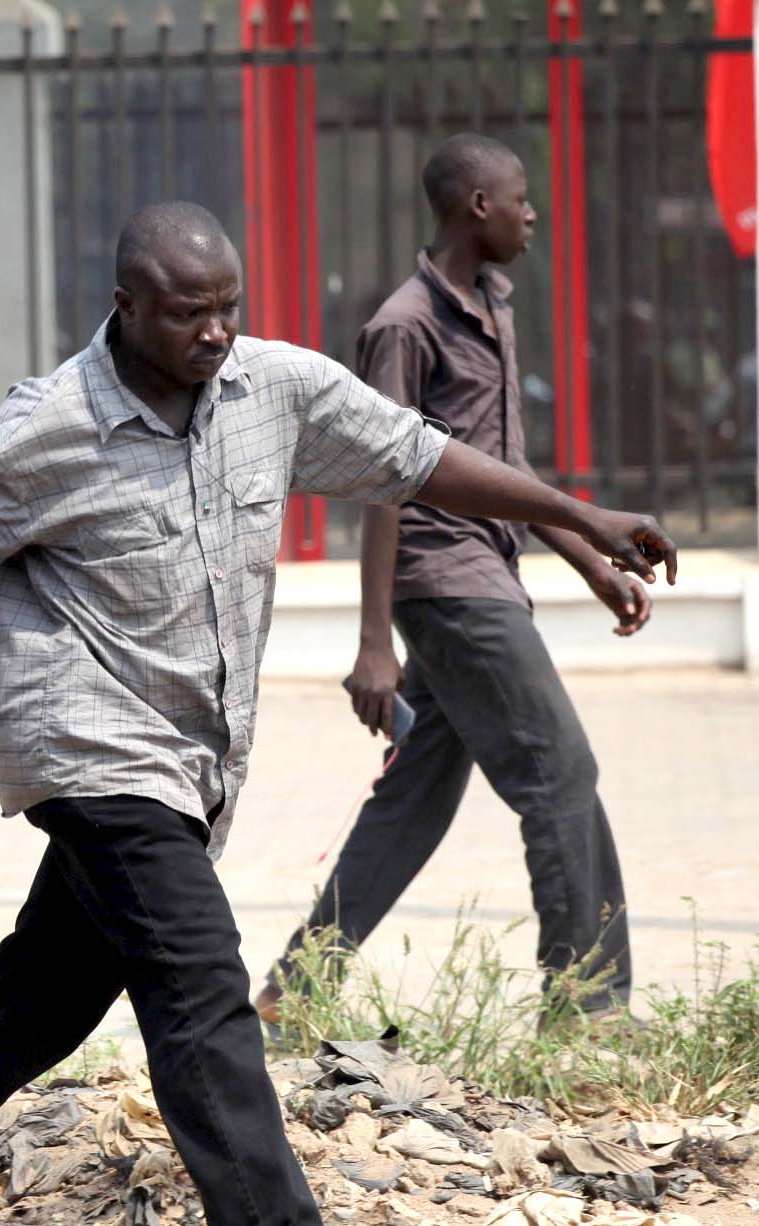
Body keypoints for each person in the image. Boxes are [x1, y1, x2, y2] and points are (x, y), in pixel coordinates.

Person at [0, 202, 674, 1226]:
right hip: (91, 745)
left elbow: (424, 458)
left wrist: (578, 523)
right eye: (187, 312)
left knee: (42, 996)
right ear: (126, 305)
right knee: (198, 984)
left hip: (196, 761)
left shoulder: (276, 387)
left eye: (227, 306)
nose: (213, 332)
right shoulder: (51, 423)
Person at [256, 134, 643, 1029]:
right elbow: (381, 477)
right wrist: (372, 645)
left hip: (486, 572)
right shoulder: (404, 325)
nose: (533, 212)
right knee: (559, 770)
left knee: (415, 798)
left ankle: (291, 993)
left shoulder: (494, 303)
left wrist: (591, 563)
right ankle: (585, 1008)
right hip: (448, 584)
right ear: (477, 206)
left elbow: (505, 466)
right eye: (521, 197)